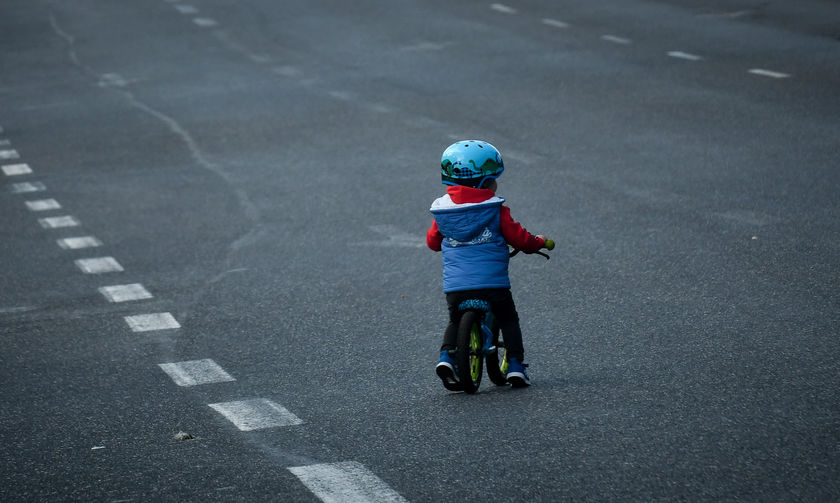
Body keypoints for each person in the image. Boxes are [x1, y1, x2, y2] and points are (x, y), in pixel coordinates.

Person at [426, 140, 549, 390]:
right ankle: (515, 365)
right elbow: (520, 239)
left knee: (455, 319)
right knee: (507, 319)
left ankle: (447, 356)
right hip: (493, 284)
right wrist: (539, 243)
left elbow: (432, 242)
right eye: (494, 180)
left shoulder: (444, 213)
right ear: (484, 183)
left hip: (456, 286)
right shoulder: (495, 211)